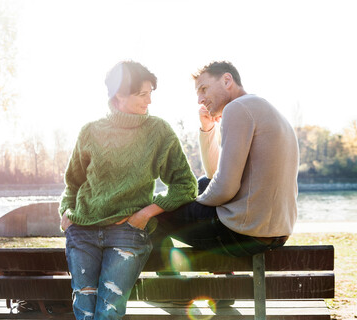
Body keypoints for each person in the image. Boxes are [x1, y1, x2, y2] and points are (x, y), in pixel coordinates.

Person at [59, 60, 197, 320]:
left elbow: (186, 185)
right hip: (83, 232)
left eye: (150, 94)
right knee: (84, 311)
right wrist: (66, 213)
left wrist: (145, 214)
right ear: (119, 95)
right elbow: (73, 183)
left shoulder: (159, 132)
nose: (149, 101)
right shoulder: (90, 131)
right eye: (142, 94)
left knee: (108, 311)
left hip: (127, 234)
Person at [153, 61, 299, 259]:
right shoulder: (259, 107)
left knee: (154, 212)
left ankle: (168, 282)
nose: (200, 100)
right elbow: (214, 175)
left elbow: (224, 189)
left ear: (227, 80)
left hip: (245, 232)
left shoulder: (237, 108)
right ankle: (219, 275)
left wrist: (189, 202)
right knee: (203, 184)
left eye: (204, 89)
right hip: (275, 232)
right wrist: (207, 129)